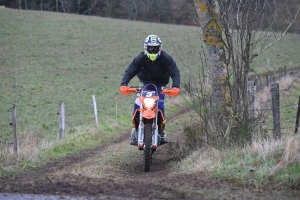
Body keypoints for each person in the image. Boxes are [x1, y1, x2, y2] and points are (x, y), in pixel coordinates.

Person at [119, 34, 180, 145]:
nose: (152, 50)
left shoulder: (166, 58)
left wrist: (176, 86)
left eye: (155, 48)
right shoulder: (140, 58)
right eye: (150, 48)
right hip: (145, 84)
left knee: (160, 104)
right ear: (146, 47)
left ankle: (162, 131)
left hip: (160, 84)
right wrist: (123, 84)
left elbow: (175, 72)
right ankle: (134, 130)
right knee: (137, 104)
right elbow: (130, 70)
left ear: (159, 48)